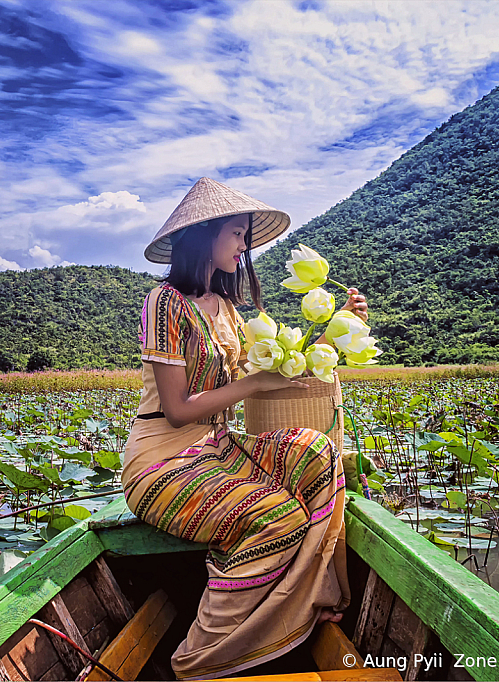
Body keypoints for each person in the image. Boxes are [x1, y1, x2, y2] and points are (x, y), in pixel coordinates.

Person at [123, 177, 369, 680]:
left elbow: (259, 380)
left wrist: (338, 329)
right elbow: (178, 409)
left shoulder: (227, 309)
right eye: (237, 234)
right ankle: (199, 659)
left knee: (315, 452)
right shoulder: (164, 303)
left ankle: (307, 600)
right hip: (161, 462)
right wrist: (257, 379)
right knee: (276, 516)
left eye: (245, 236)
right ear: (205, 235)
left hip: (218, 450)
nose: (244, 246)